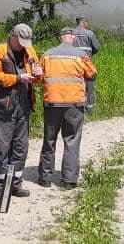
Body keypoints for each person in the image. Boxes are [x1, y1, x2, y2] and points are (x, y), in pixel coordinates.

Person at [37, 27, 97, 189]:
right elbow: (92, 74)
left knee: (49, 140)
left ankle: (45, 178)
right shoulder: (81, 56)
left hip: (52, 103)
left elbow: (38, 77)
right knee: (72, 140)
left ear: (60, 37)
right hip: (74, 105)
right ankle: (69, 180)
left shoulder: (47, 55)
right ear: (74, 38)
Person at [0, 23, 41, 198]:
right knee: (0, 147)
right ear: (13, 36)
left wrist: (39, 74)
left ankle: (15, 185)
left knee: (20, 148)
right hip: (3, 106)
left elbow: (37, 80)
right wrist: (18, 78)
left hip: (23, 106)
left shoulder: (30, 51)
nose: (24, 45)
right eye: (21, 41)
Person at [73, 15, 101, 108]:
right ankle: (90, 108)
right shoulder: (89, 33)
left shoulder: (71, 33)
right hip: (87, 63)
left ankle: (76, 106)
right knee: (89, 85)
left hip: (73, 64)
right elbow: (97, 47)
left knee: (75, 85)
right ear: (84, 22)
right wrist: (90, 54)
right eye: (86, 22)